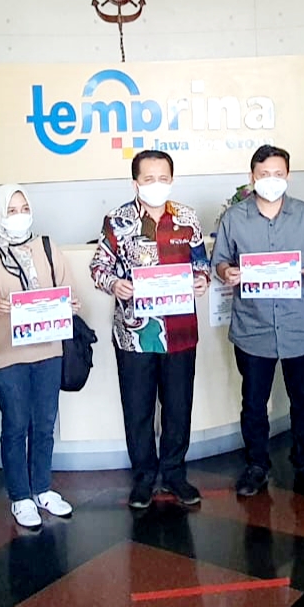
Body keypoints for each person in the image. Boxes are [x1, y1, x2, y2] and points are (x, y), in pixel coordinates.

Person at [90, 149, 211, 509]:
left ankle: (174, 473)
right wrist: (114, 284)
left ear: (171, 180)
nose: (156, 185)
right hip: (134, 334)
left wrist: (202, 279)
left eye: (163, 178)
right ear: (135, 183)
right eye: (148, 179)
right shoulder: (117, 221)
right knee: (138, 409)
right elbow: (98, 267)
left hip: (180, 332)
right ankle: (143, 477)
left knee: (178, 407)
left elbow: (201, 262)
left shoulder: (187, 218)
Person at [213, 145, 304, 498]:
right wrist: (227, 272)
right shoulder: (234, 218)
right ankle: (256, 465)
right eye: (264, 174)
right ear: (252, 177)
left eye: (278, 174)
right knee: (254, 402)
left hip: (299, 325)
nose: (271, 180)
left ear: (288, 175)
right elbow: (220, 261)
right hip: (254, 326)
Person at [0, 185, 80, 529]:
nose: (19, 216)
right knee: (16, 424)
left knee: (44, 423)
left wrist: (70, 305)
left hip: (48, 351)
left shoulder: (47, 248)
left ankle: (42, 488)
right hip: (7, 356)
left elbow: (67, 290)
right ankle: (20, 496)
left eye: (24, 208)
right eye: (12, 210)